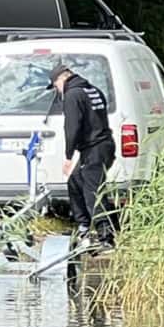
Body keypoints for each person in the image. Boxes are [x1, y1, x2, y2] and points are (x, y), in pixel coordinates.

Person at [51, 60, 112, 241]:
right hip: (102, 146)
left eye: (55, 86)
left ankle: (106, 235)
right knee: (75, 183)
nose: (57, 90)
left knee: (92, 191)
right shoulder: (92, 90)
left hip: (94, 149)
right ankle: (83, 226)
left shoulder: (72, 95)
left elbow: (72, 127)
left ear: (62, 79)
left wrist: (68, 156)